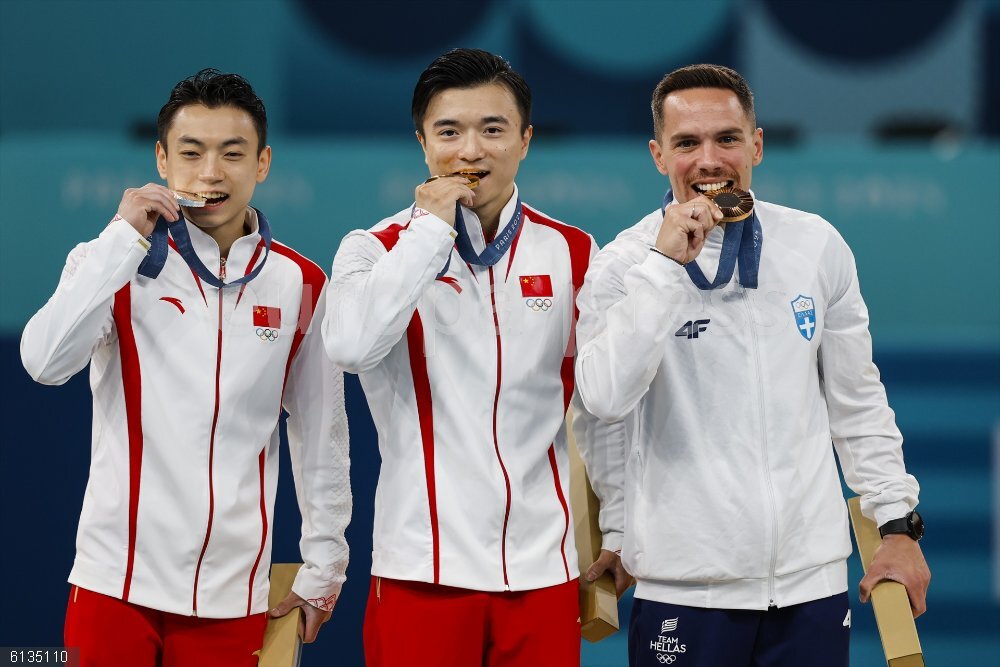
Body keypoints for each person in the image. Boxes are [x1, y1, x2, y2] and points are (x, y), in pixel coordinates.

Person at [574, 64, 930, 667]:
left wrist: (896, 525)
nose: (709, 160)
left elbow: (857, 399)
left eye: (727, 139)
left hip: (811, 588)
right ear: (659, 155)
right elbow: (604, 402)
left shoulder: (816, 245)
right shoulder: (622, 266)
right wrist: (664, 268)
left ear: (756, 145)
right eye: (687, 143)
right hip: (686, 589)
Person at [20, 69, 351, 667]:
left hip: (235, 599)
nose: (211, 173)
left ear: (264, 163)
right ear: (161, 160)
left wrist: (324, 565)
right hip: (115, 585)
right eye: (191, 153)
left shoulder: (302, 284)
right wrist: (121, 239)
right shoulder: (111, 265)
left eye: (233, 153)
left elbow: (322, 437)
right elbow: (44, 362)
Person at [322, 48, 629, 667]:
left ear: (525, 140)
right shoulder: (373, 250)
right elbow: (352, 349)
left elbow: (598, 405)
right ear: (422, 142)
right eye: (449, 131)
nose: (471, 151)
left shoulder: (572, 252)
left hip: (542, 571)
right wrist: (430, 234)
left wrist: (619, 522)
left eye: (493, 129)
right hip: (421, 569)